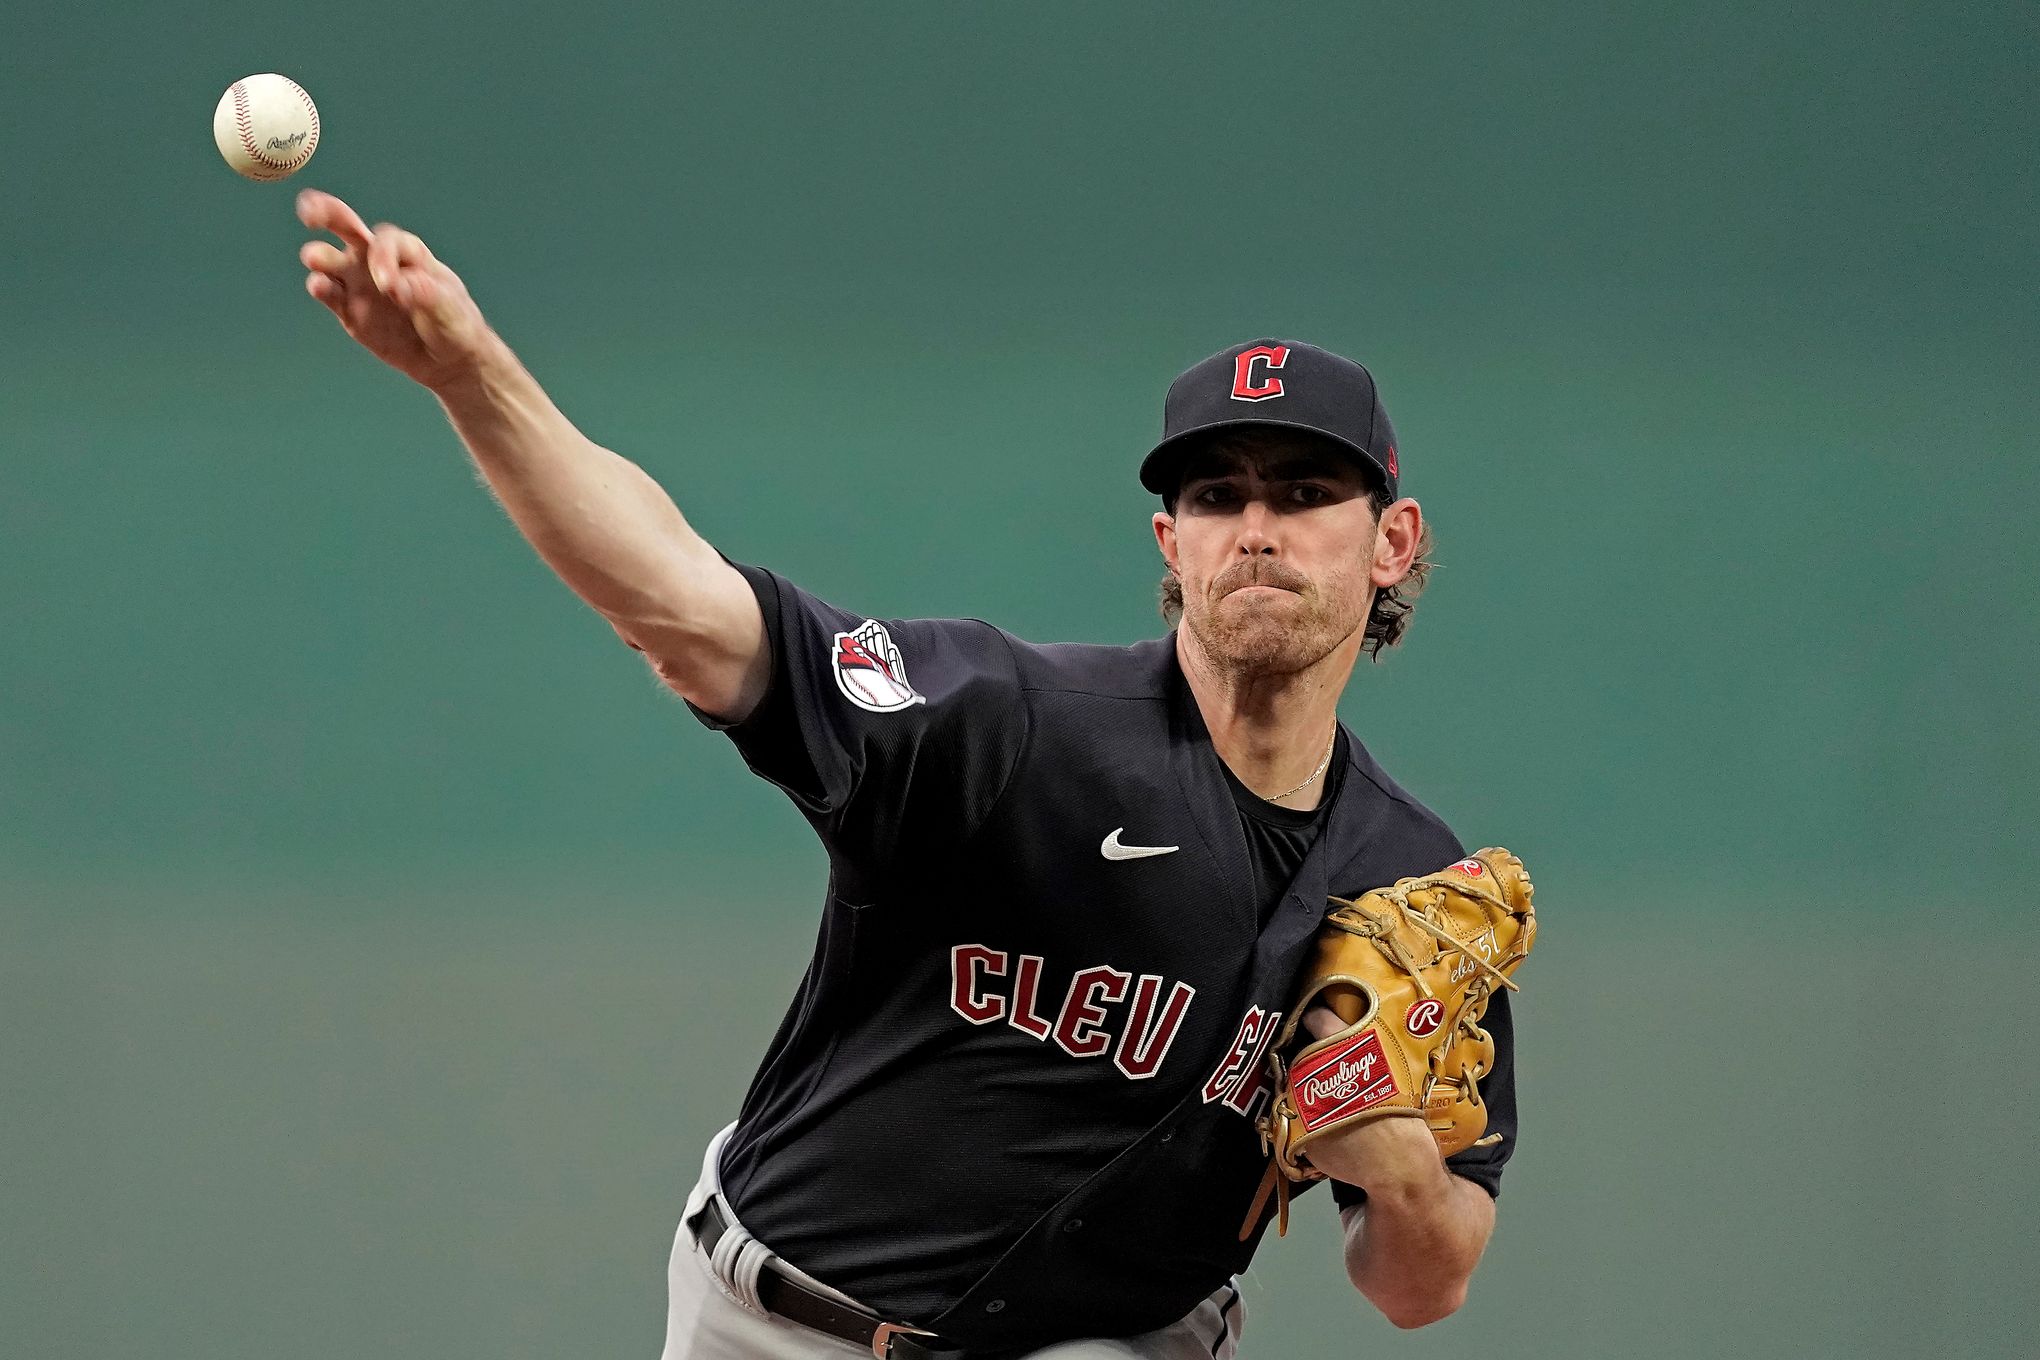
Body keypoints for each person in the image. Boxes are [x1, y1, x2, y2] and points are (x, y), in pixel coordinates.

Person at [293, 189, 1519, 1358]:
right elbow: (684, 605)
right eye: (1217, 495)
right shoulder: (1008, 725)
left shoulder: (1410, 884)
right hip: (782, 1321)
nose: (1257, 527)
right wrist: (473, 376)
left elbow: (1425, 1286)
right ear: (1171, 541)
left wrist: (1398, 1162)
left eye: (1306, 493)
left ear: (1392, 541)